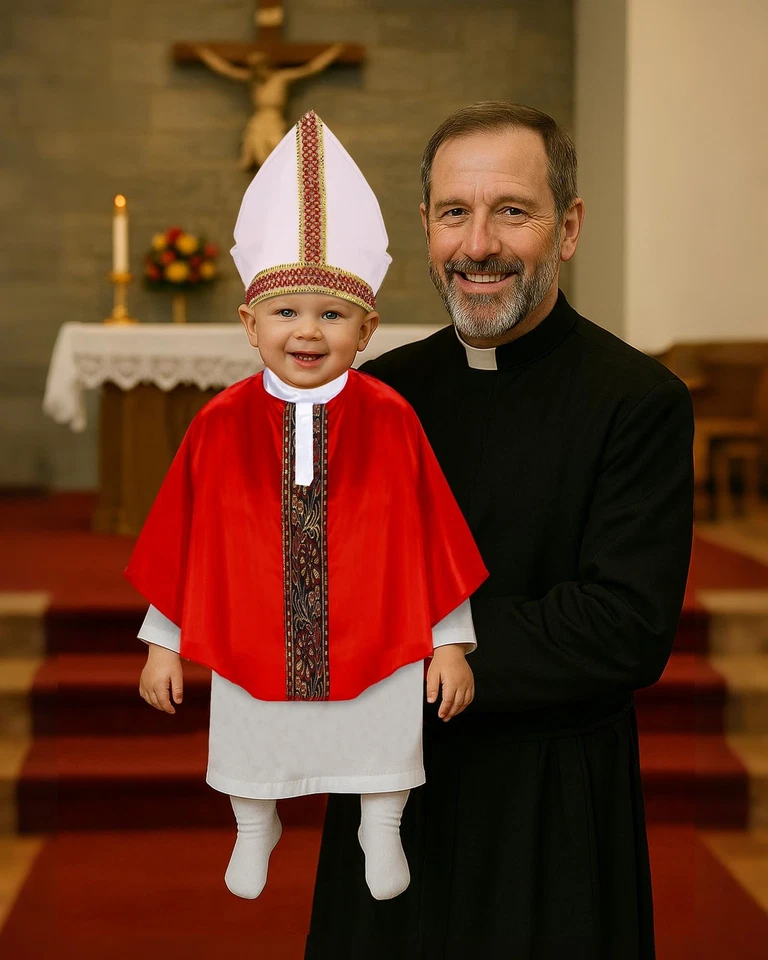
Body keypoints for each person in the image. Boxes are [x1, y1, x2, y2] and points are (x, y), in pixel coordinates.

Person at [305, 102, 695, 959]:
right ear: (427, 227)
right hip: (394, 788)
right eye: (455, 212)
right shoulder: (376, 396)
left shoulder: (638, 402)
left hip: (550, 804)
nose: (477, 245)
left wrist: (406, 644)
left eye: (512, 211)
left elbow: (623, 627)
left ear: (569, 228)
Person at [123, 111, 487, 905]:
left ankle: (380, 826)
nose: (308, 332)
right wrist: (163, 643)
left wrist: (450, 643)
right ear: (250, 326)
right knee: (254, 738)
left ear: (367, 328)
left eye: (331, 314)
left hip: (374, 628)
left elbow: (434, 535)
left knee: (381, 734)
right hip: (254, 632)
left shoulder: (392, 418)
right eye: (287, 312)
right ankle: (255, 826)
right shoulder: (220, 423)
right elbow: (182, 538)